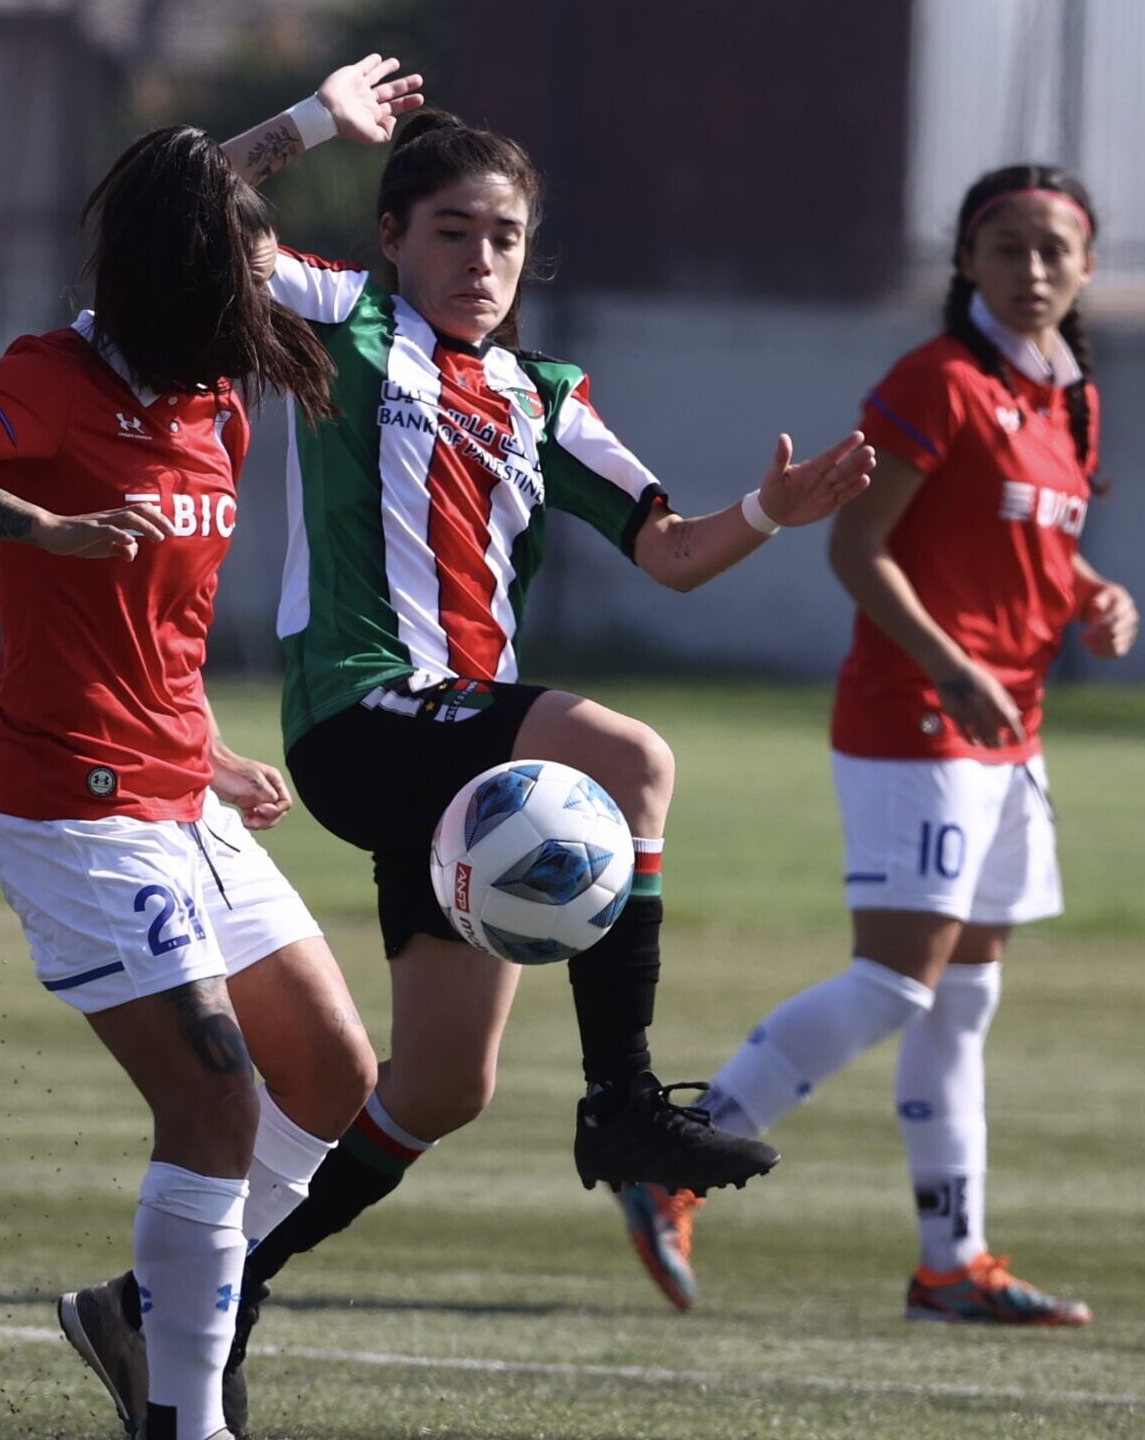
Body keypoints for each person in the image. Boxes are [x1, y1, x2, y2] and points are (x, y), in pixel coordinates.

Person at [177, 91, 876, 1403]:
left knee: (442, 1087)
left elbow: (670, 553)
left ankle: (211, 1295)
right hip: (362, 716)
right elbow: (186, 200)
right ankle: (622, 1098)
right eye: (452, 232)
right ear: (391, 237)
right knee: (633, 759)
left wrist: (771, 511)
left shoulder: (546, 396)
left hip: (461, 770)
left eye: (505, 238)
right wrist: (313, 123)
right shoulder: (343, 320)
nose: (482, 262)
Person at [0, 60, 422, 1440]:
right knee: (218, 1106)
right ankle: (185, 1414)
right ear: (186, 281)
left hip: (180, 787)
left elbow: (195, 197)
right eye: (245, 269)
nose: (267, 288)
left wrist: (215, 751)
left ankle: (138, 1315)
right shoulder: (59, 376)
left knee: (339, 1084)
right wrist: (37, 526)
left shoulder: (216, 399)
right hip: (73, 806)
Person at [615, 164, 1138, 1326]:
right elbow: (860, 551)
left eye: (1055, 249)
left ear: (1087, 267)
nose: (1033, 268)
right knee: (898, 982)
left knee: (961, 1004)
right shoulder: (939, 380)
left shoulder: (1072, 400)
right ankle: (682, 1153)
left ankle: (951, 1264)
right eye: (1006, 246)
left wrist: (1094, 594)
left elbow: (1032, 555)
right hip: (919, 716)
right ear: (964, 261)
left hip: (1010, 733)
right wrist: (956, 668)